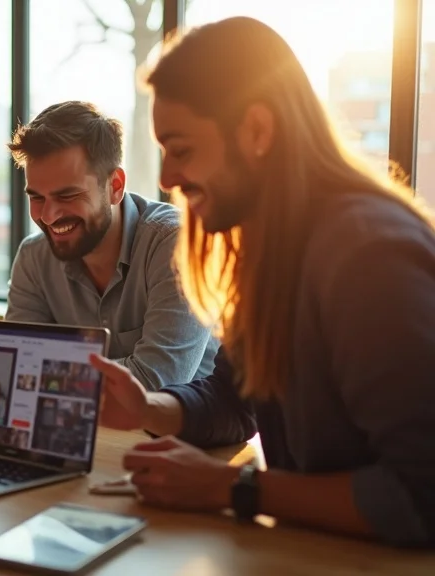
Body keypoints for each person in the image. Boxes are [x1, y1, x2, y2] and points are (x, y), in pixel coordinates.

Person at [91, 16, 435, 548]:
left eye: (181, 149)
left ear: (256, 131)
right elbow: (236, 400)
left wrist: (233, 486)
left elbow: (421, 493)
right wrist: (146, 408)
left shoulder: (369, 254)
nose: (166, 179)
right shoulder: (271, 249)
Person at [3, 101, 217, 391]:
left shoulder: (175, 243)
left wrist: (25, 370)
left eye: (68, 195)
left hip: (178, 434)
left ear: (115, 186)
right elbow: (15, 367)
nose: (48, 216)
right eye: (37, 197)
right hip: (80, 431)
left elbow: (157, 380)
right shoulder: (33, 257)